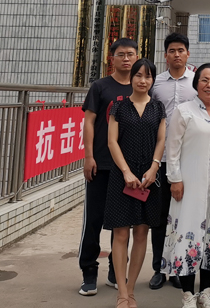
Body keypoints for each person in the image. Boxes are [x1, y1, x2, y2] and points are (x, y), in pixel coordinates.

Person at [164, 63, 210, 308]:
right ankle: (187, 294)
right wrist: (175, 179)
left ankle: (206, 291)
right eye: (205, 80)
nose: (209, 85)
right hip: (189, 186)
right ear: (196, 83)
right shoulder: (184, 111)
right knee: (188, 234)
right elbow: (172, 149)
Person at [104, 59, 167, 308]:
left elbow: (161, 140)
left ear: (153, 80)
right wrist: (126, 172)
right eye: (138, 75)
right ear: (131, 78)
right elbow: (112, 141)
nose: (143, 80)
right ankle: (121, 292)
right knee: (121, 233)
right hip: (123, 176)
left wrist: (154, 167)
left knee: (142, 232)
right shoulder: (119, 107)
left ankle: (131, 291)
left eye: (148, 76)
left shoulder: (158, 107)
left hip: (148, 178)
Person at [78, 38, 138, 296]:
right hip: (101, 164)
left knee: (122, 223)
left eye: (130, 54)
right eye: (121, 54)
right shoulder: (100, 87)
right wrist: (88, 156)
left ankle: (116, 271)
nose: (126, 59)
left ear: (137, 57)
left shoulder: (141, 86)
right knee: (93, 220)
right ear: (112, 58)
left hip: (129, 167)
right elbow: (89, 122)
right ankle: (89, 273)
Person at [149, 33, 197, 290]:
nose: (177, 54)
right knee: (159, 217)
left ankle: (178, 267)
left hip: (188, 160)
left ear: (188, 53)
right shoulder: (155, 84)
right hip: (161, 159)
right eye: (172, 51)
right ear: (165, 55)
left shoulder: (197, 83)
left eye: (181, 50)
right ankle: (158, 268)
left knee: (181, 216)